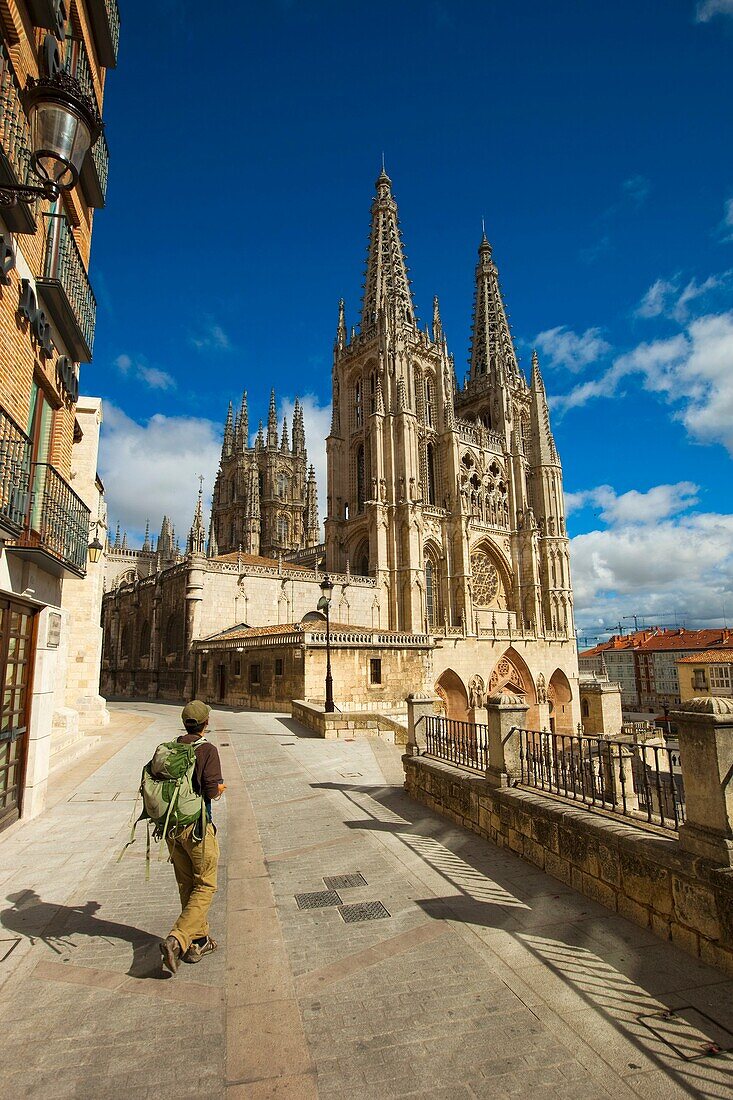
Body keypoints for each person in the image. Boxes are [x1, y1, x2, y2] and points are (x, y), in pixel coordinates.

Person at [160, 700, 226, 974]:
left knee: (187, 884)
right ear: (205, 724)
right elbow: (211, 791)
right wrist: (220, 788)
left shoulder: (172, 747)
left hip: (170, 828)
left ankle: (197, 942)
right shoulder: (207, 750)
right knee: (206, 884)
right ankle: (177, 939)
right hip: (196, 827)